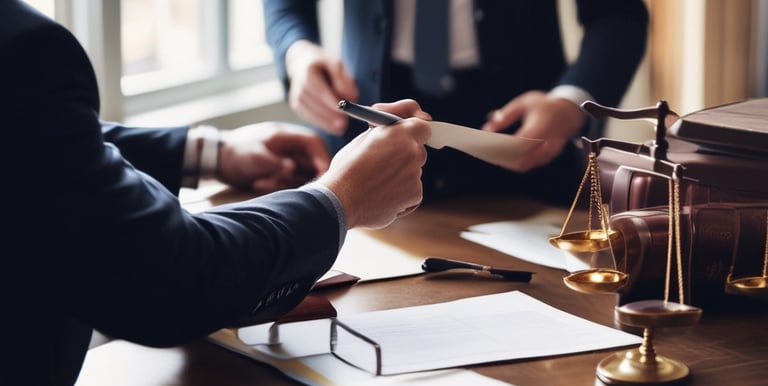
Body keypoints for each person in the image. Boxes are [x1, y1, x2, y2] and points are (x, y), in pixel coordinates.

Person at [0, 1, 431, 385]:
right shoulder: (21, 46)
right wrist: (345, 197)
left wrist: (210, 154)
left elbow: (33, 143)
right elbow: (171, 276)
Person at [264, 0, 649, 205]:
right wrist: (295, 49)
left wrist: (570, 101)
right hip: (366, 141)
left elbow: (618, 13)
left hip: (522, 150)